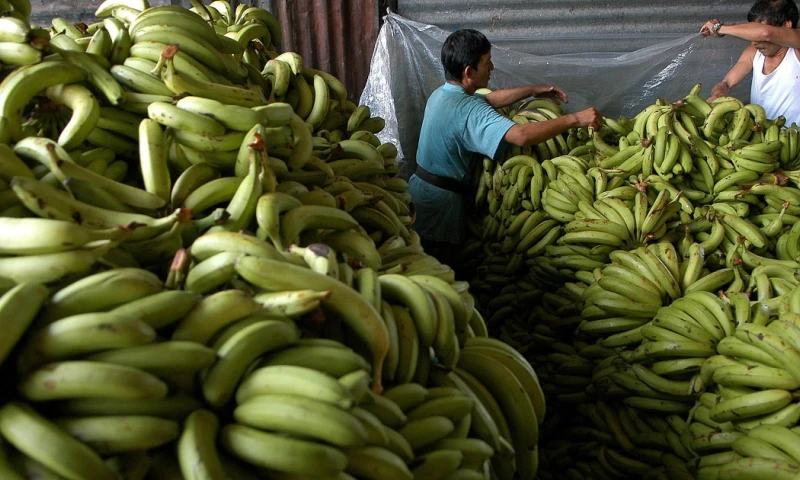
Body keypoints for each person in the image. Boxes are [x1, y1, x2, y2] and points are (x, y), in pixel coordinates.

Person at [407, 28, 602, 268]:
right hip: (440, 210)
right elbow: (520, 135)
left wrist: (533, 90)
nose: (492, 68)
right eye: (487, 63)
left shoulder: (443, 94)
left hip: (418, 191)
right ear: (469, 72)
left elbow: (488, 99)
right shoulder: (469, 112)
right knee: (439, 274)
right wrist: (575, 119)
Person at [700, 0, 800, 125]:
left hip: (794, 138)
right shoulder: (753, 52)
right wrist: (718, 94)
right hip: (760, 136)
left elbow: (766, 33)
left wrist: (720, 28)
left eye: (756, 32)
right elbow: (727, 83)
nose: (754, 42)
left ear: (786, 26)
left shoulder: (797, 49)